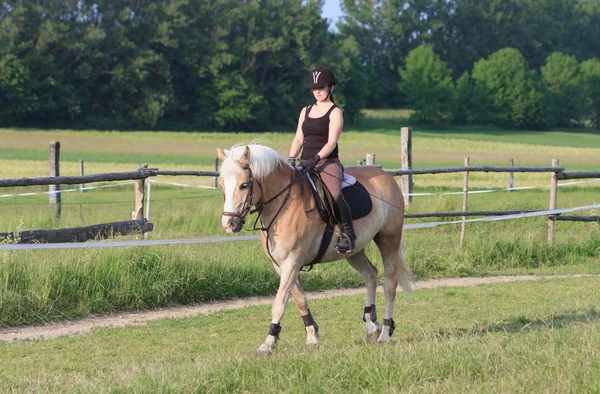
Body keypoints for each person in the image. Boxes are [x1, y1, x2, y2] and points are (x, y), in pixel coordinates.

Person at [287, 66, 356, 254]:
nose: (317, 91)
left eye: (322, 87)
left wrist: (317, 157)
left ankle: (348, 235)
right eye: (314, 88)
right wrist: (291, 158)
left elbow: (332, 142)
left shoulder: (335, 112)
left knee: (334, 195)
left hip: (327, 163)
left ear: (331, 88)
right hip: (305, 163)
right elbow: (298, 138)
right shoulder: (305, 110)